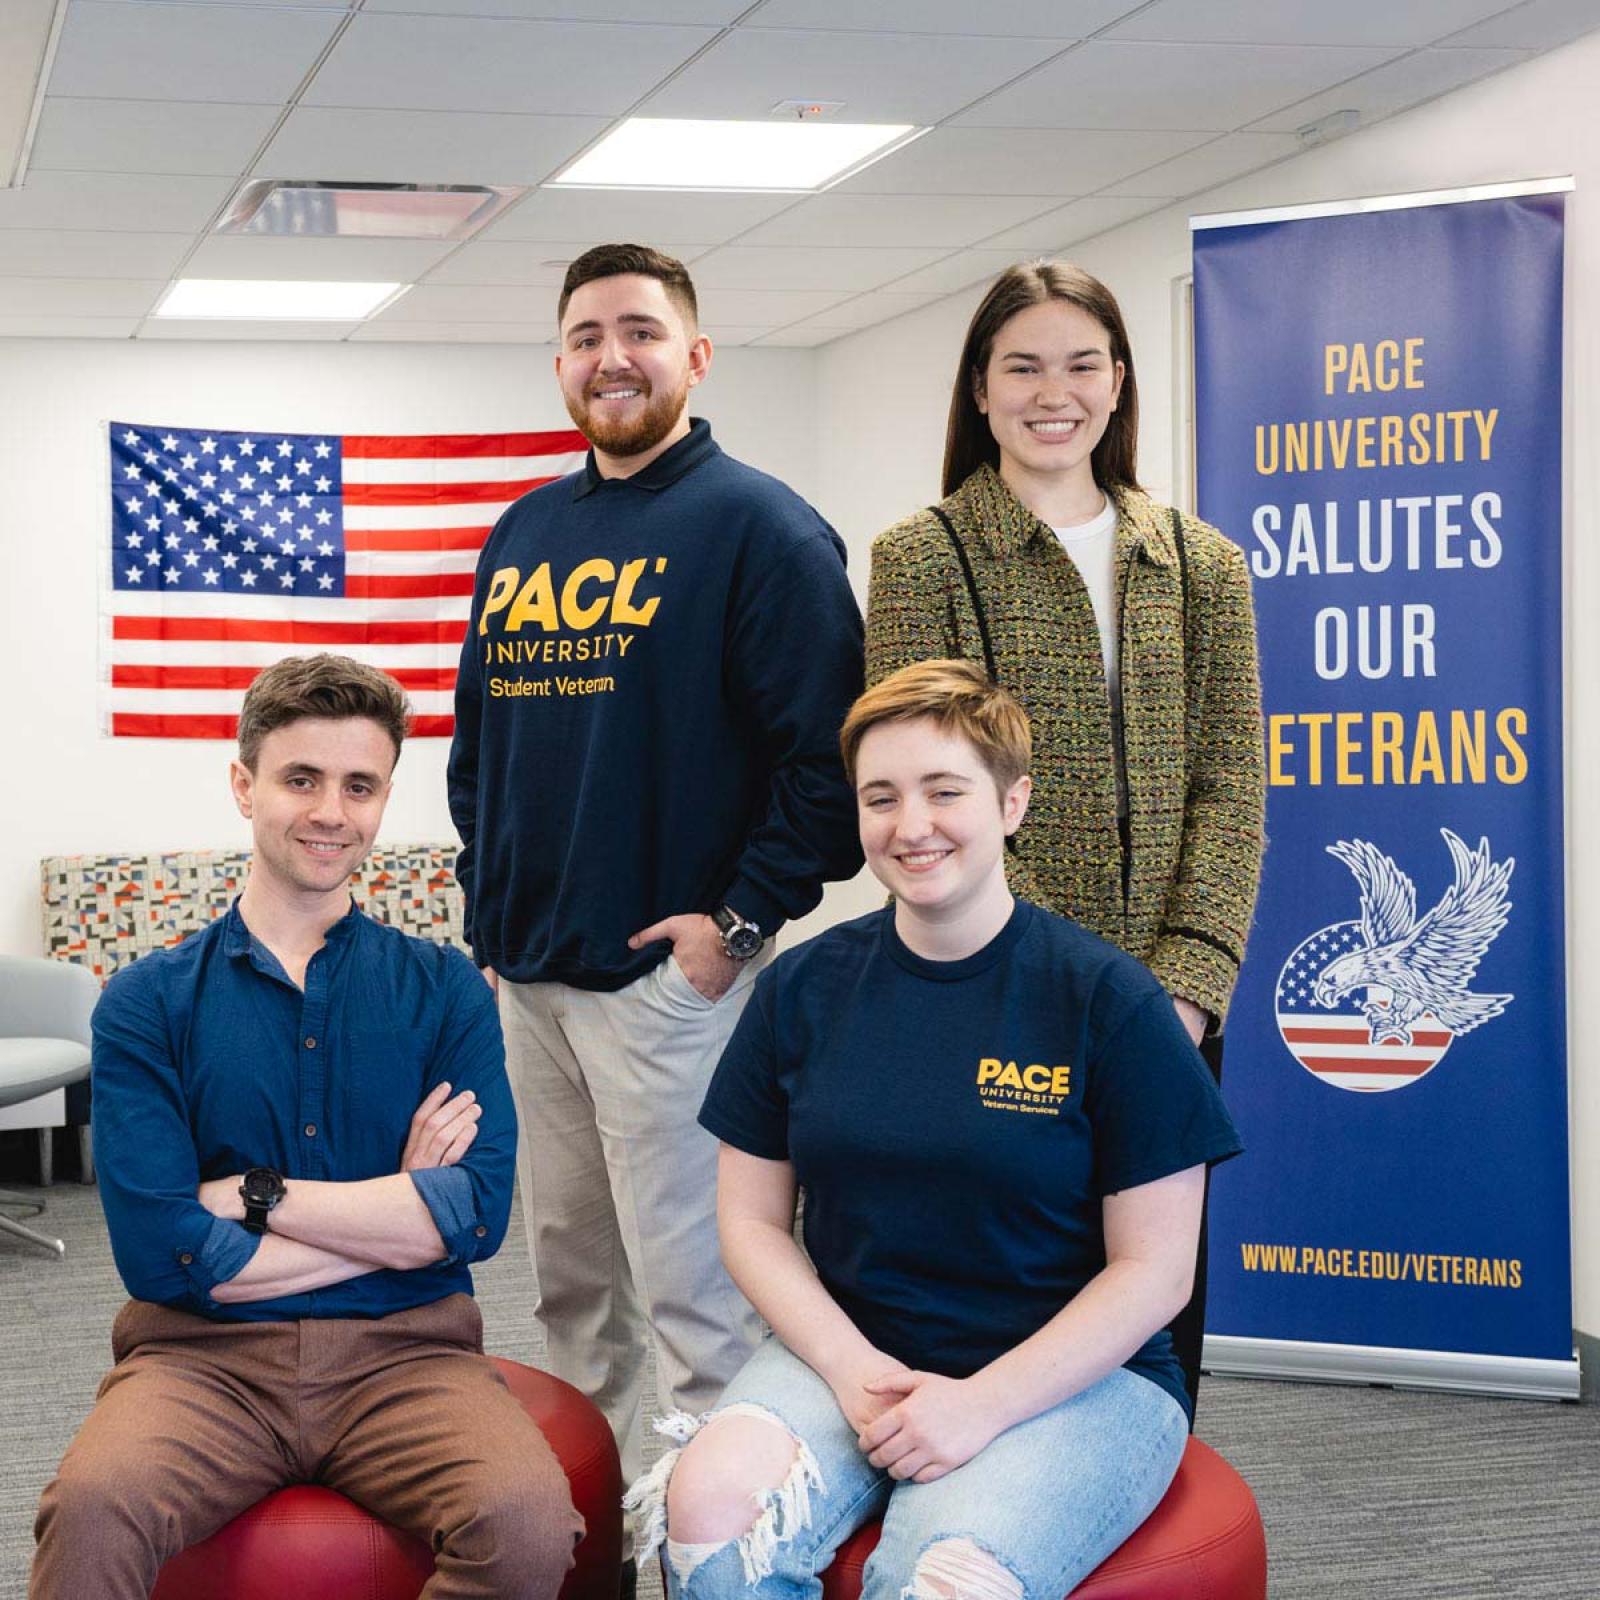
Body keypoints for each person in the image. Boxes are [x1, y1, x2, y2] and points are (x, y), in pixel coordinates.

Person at [628, 660, 1243, 1600]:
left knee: (944, 1578)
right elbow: (750, 1224)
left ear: (1012, 802)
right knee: (710, 1512)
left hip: (1080, 1379)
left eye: (944, 791)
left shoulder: (1107, 1000)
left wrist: (981, 1406)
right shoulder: (801, 990)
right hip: (852, 1353)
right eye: (881, 798)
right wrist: (852, 1370)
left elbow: (1156, 1273)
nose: (910, 825)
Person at [447, 243, 864, 1564]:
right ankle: (590, 1548)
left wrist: (733, 927)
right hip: (532, 982)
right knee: (572, 1291)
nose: (610, 356)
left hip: (668, 992)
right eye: (585, 335)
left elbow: (827, 765)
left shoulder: (761, 529)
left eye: (639, 329)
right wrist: (489, 913)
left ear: (696, 354)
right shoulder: (526, 531)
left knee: (698, 1301)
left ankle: (713, 1557)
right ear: (560, 363)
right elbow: (479, 747)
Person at [31, 654, 582, 1600]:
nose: (332, 811)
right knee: (89, 1513)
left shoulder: (447, 990)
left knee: (527, 1523)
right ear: (244, 785)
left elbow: (479, 1216)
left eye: (359, 786)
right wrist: (400, 1214)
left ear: (383, 799)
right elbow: (160, 1256)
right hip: (202, 1361)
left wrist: (254, 1199)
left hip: (409, 1353)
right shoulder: (145, 1003)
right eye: (301, 779)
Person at [864, 259, 1265, 1400]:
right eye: (1023, 366)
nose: (1055, 393)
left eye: (1083, 365)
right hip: (994, 994)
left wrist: (1182, 991)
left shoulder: (1200, 564)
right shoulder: (922, 557)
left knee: (1154, 1298)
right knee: (1008, 1288)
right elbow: (924, 800)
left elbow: (1232, 787)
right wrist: (1059, 986)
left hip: (1173, 1005)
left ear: (1118, 382)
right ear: (980, 389)